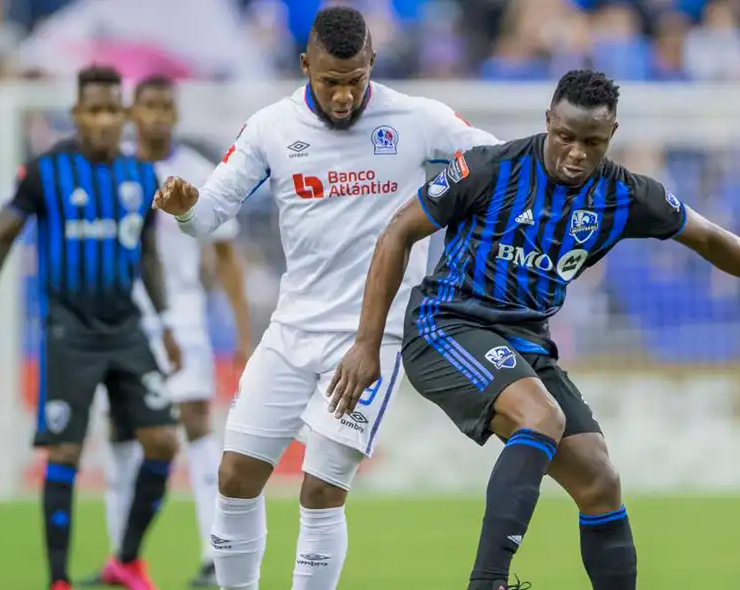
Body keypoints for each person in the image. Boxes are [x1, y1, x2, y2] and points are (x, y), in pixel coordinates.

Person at [327, 69, 740, 590]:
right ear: (548, 120)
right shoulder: (490, 168)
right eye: (565, 136)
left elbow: (711, 239)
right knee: (542, 416)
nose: (576, 153)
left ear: (612, 132)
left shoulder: (624, 195)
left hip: (525, 343)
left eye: (592, 142)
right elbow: (397, 233)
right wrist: (366, 345)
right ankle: (487, 582)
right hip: (447, 326)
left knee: (599, 482)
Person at [149, 6, 499, 590]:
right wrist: (185, 206)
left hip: (371, 339)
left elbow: (498, 162)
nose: (342, 97)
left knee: (320, 489)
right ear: (305, 64)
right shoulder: (270, 127)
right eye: (329, 82)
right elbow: (209, 214)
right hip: (290, 335)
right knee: (234, 477)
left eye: (355, 81)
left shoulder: (418, 120)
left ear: (372, 65)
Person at [0, 66, 180, 590]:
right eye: (94, 110)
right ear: (78, 114)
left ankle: (125, 560)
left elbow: (147, 254)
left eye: (112, 110)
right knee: (64, 452)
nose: (104, 120)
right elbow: (0, 238)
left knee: (162, 441)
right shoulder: (44, 172)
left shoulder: (139, 177)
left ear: (123, 116)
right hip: (68, 331)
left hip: (127, 328)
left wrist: (166, 320)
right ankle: (58, 580)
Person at [80, 75, 252, 589]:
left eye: (165, 106)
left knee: (195, 421)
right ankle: (122, 559)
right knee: (120, 431)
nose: (156, 114)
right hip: (120, 318)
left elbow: (226, 258)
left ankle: (209, 557)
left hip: (183, 314)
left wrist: (243, 334)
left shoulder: (200, 173)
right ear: (133, 112)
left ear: (174, 114)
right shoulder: (111, 172)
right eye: (147, 105)